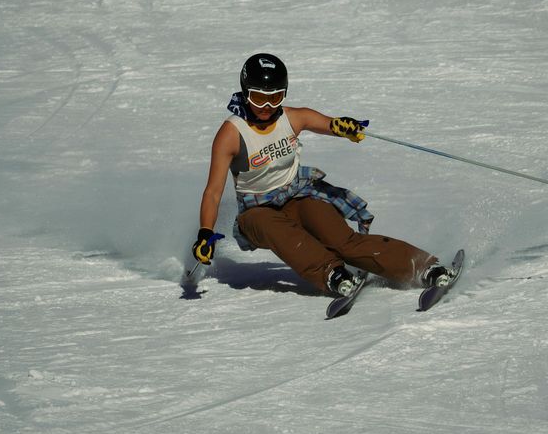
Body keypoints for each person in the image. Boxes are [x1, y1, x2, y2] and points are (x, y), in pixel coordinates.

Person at [192, 53, 457, 297]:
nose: (267, 106)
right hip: (256, 213)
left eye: (275, 97)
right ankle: (332, 273)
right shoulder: (231, 134)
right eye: (259, 98)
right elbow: (213, 192)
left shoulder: (293, 118)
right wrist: (205, 233)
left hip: (297, 196)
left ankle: (423, 268)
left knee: (343, 240)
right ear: (246, 93)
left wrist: (345, 128)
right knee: (284, 233)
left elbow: (329, 124)